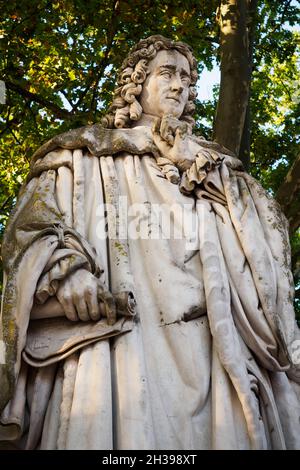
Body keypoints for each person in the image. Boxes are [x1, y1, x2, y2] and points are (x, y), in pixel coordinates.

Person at [0, 35, 300, 450]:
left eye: (187, 78)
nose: (180, 85)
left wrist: (208, 176)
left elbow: (268, 234)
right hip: (119, 346)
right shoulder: (81, 157)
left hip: (213, 344)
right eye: (167, 73)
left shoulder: (217, 170)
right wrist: (63, 268)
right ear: (136, 83)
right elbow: (31, 226)